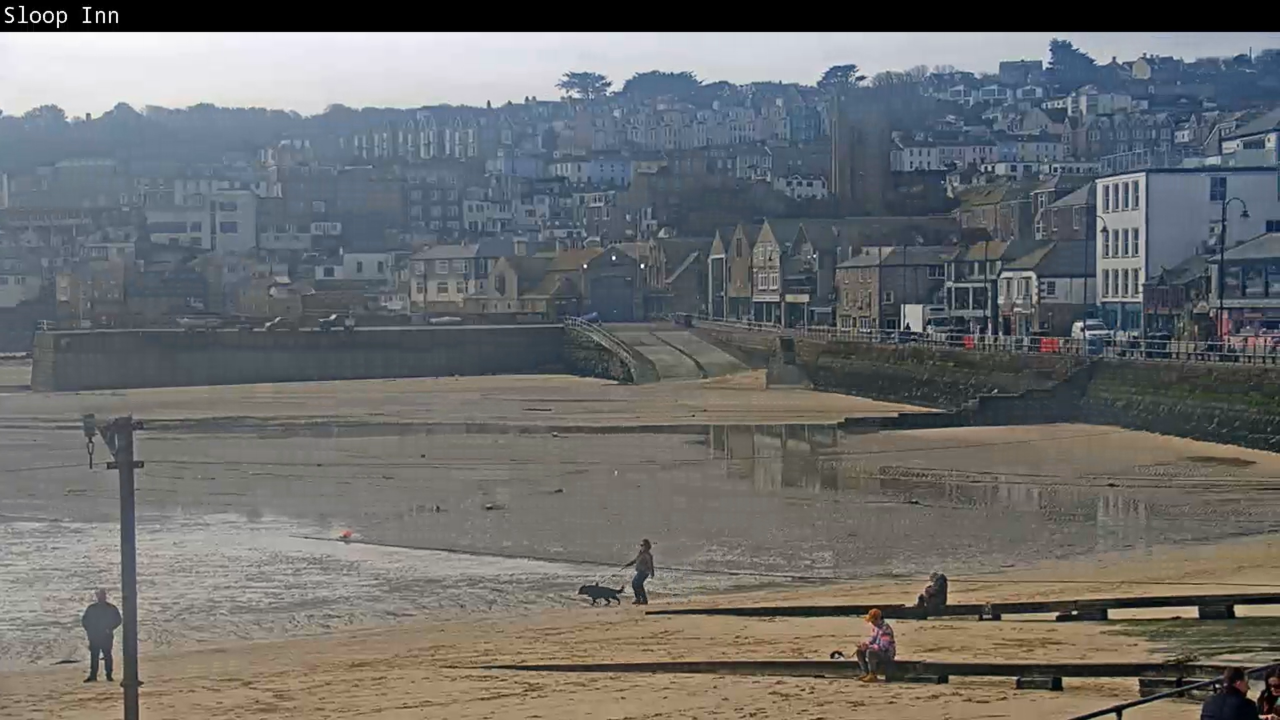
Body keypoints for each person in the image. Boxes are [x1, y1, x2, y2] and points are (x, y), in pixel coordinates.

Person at [81, 588, 121, 683]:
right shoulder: (92, 608)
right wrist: (89, 630)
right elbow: (84, 621)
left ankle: (109, 675)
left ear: (105, 596)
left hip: (106, 635)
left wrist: (110, 628)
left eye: (102, 595)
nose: (100, 597)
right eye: (99, 595)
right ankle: (93, 675)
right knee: (94, 656)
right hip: (94, 635)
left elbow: (118, 620)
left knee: (107, 655)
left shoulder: (111, 608)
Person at [1201, 666, 1272, 720]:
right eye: (1246, 683)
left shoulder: (1209, 701)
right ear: (1238, 683)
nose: (1248, 687)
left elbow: (1228, 715)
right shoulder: (1246, 704)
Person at [855, 608, 896, 683]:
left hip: (887, 654)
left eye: (872, 621)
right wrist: (865, 645)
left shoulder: (885, 629)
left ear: (877, 619)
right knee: (859, 651)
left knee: (870, 652)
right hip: (878, 651)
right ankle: (865, 672)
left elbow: (884, 647)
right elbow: (872, 640)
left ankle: (872, 674)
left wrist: (869, 647)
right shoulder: (876, 628)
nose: (871, 623)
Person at [622, 539, 654, 606]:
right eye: (641, 545)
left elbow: (651, 564)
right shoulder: (640, 553)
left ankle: (641, 599)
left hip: (645, 572)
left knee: (636, 584)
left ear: (647, 546)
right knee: (637, 584)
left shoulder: (648, 554)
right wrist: (628, 564)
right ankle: (640, 599)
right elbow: (635, 560)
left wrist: (652, 572)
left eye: (643, 545)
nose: (642, 546)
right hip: (640, 571)